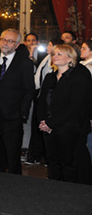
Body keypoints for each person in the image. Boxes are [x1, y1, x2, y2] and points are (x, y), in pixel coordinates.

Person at [38, 44, 92, 183]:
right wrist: (43, 121)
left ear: (70, 58)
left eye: (59, 54)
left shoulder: (79, 76)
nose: (55, 56)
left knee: (69, 162)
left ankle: (69, 194)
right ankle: (54, 190)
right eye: (54, 54)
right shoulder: (50, 77)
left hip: (69, 127)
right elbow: (42, 102)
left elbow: (75, 105)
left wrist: (52, 123)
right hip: (48, 127)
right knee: (52, 161)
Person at [0, 28, 35, 175]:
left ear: (16, 45)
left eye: (10, 41)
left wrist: (22, 113)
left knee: (12, 154)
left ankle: (15, 186)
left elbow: (29, 90)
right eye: (3, 39)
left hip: (13, 116)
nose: (5, 43)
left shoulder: (24, 63)